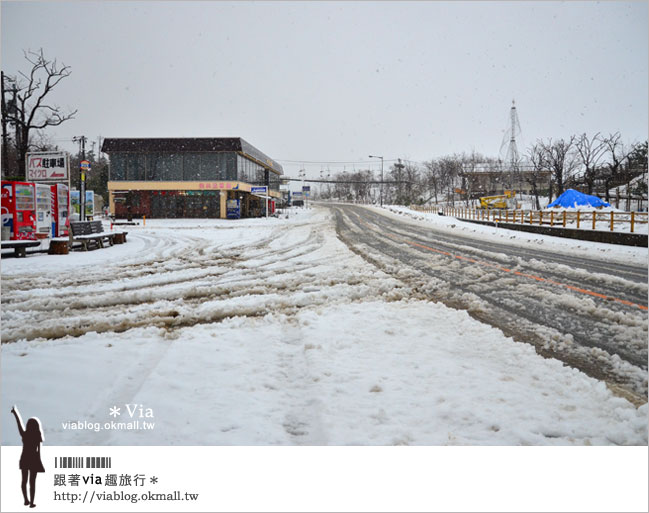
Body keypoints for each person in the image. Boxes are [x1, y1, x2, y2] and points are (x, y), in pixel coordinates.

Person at [10, 406, 44, 508]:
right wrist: (39, 462)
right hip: (34, 459)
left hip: (24, 459)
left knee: (24, 481)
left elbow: (19, 424)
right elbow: (39, 451)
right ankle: (31, 502)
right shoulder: (38, 436)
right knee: (32, 482)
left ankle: (26, 500)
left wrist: (15, 413)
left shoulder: (25, 435)